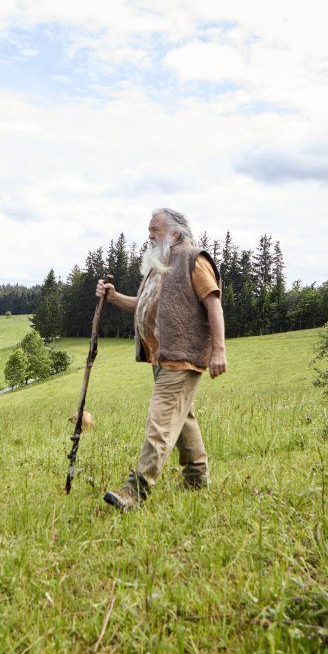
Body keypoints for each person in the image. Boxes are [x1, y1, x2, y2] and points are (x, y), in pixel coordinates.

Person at [96, 208, 227, 511]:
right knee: (182, 420)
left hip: (182, 356)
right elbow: (142, 305)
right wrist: (113, 297)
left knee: (161, 423)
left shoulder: (193, 259)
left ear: (176, 232)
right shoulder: (160, 264)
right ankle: (197, 477)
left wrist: (219, 350)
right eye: (149, 229)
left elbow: (214, 305)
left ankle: (135, 490)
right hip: (162, 356)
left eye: (155, 229)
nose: (150, 235)